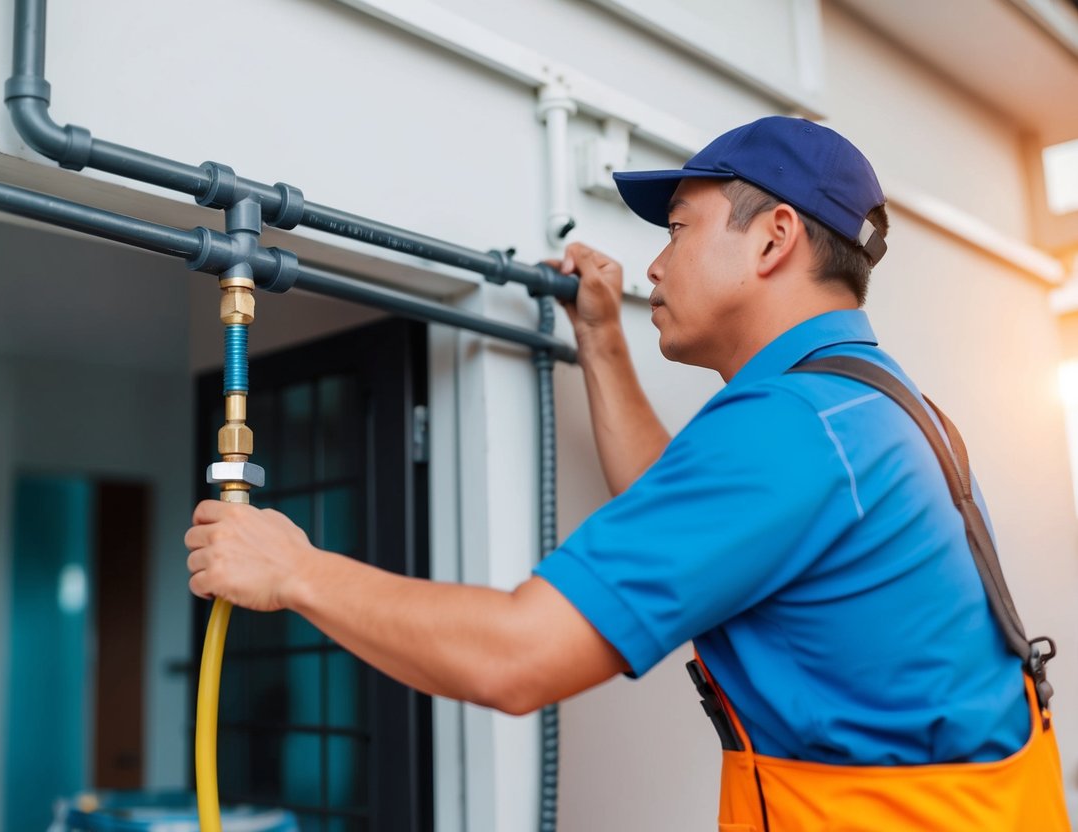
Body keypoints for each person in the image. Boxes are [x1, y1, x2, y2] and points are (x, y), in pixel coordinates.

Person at [185, 116, 1069, 829]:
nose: (653, 264)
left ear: (773, 240)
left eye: (678, 230)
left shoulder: (790, 432)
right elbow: (680, 512)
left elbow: (516, 658)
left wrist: (295, 569)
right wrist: (603, 339)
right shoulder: (871, 409)